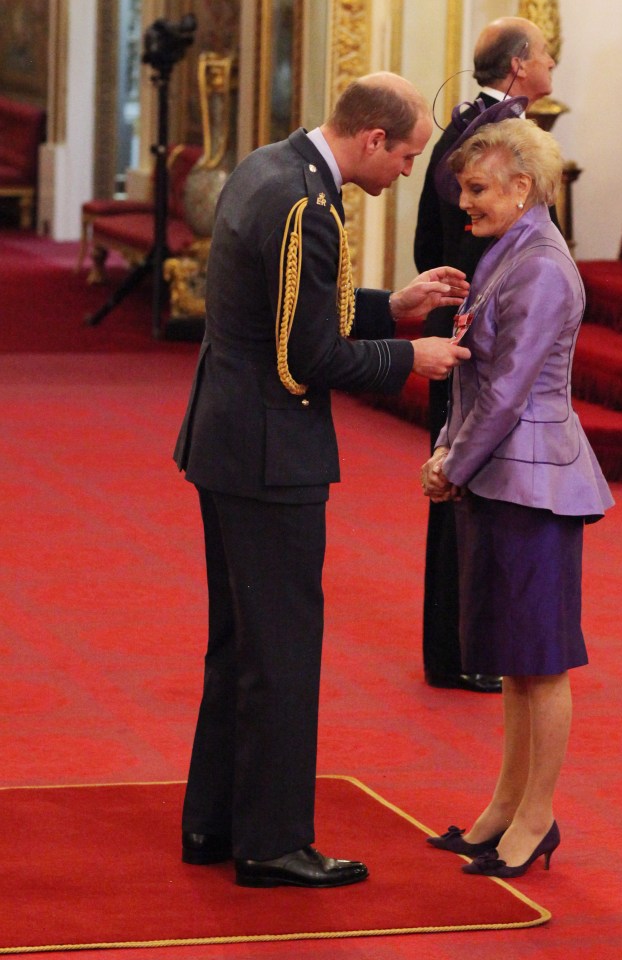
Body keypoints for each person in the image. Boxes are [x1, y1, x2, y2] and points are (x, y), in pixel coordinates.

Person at [173, 72, 471, 890]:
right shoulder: (308, 204)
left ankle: (215, 821)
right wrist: (411, 356)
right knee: (281, 651)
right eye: (407, 155)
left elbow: (296, 309)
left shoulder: (269, 165)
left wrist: (393, 306)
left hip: (227, 439)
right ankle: (271, 842)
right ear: (372, 139)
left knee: (238, 645)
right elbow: (310, 356)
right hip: (270, 452)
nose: (409, 170)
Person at [419, 105, 614, 878]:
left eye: (475, 189)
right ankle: (502, 806)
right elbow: (474, 367)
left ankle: (537, 817)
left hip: (534, 481)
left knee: (540, 659)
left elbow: (505, 393)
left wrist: (448, 464)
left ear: (522, 187)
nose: (463, 203)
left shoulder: (539, 265)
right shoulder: (508, 247)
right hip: (498, 473)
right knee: (510, 658)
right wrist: (447, 449)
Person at [413, 16, 556, 694]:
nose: (553, 64)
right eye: (547, 54)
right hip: (479, 338)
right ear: (521, 62)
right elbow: (472, 249)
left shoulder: (466, 124)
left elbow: (425, 241)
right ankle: (461, 645)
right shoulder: (498, 140)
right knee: (463, 489)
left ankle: (458, 644)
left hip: (464, 324)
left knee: (460, 489)